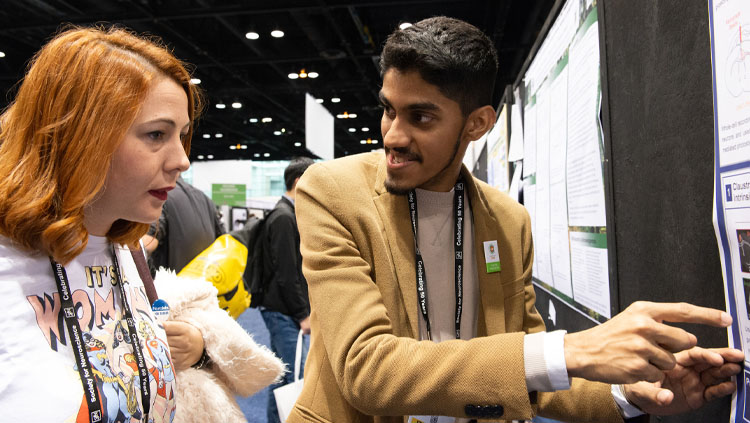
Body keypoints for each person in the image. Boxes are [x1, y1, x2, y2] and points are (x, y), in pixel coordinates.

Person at [286, 17, 744, 423]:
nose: (394, 135)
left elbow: (530, 370)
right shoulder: (332, 191)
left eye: (421, 117)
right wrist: (573, 350)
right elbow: (366, 372)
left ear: (477, 124)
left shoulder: (507, 221)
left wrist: (633, 394)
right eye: (389, 109)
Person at [0, 26, 207, 422]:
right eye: (156, 134)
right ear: (81, 135)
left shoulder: (123, 251)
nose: (182, 159)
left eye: (181, 135)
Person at [259, 156, 315, 423]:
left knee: (287, 374)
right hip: (282, 311)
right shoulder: (283, 217)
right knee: (288, 377)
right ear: (299, 182)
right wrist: (302, 313)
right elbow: (286, 273)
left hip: (284, 309)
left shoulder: (287, 213)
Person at [142, 176, 225, 275]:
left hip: (170, 286)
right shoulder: (205, 199)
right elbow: (223, 242)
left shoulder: (161, 197)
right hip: (204, 283)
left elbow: (147, 244)